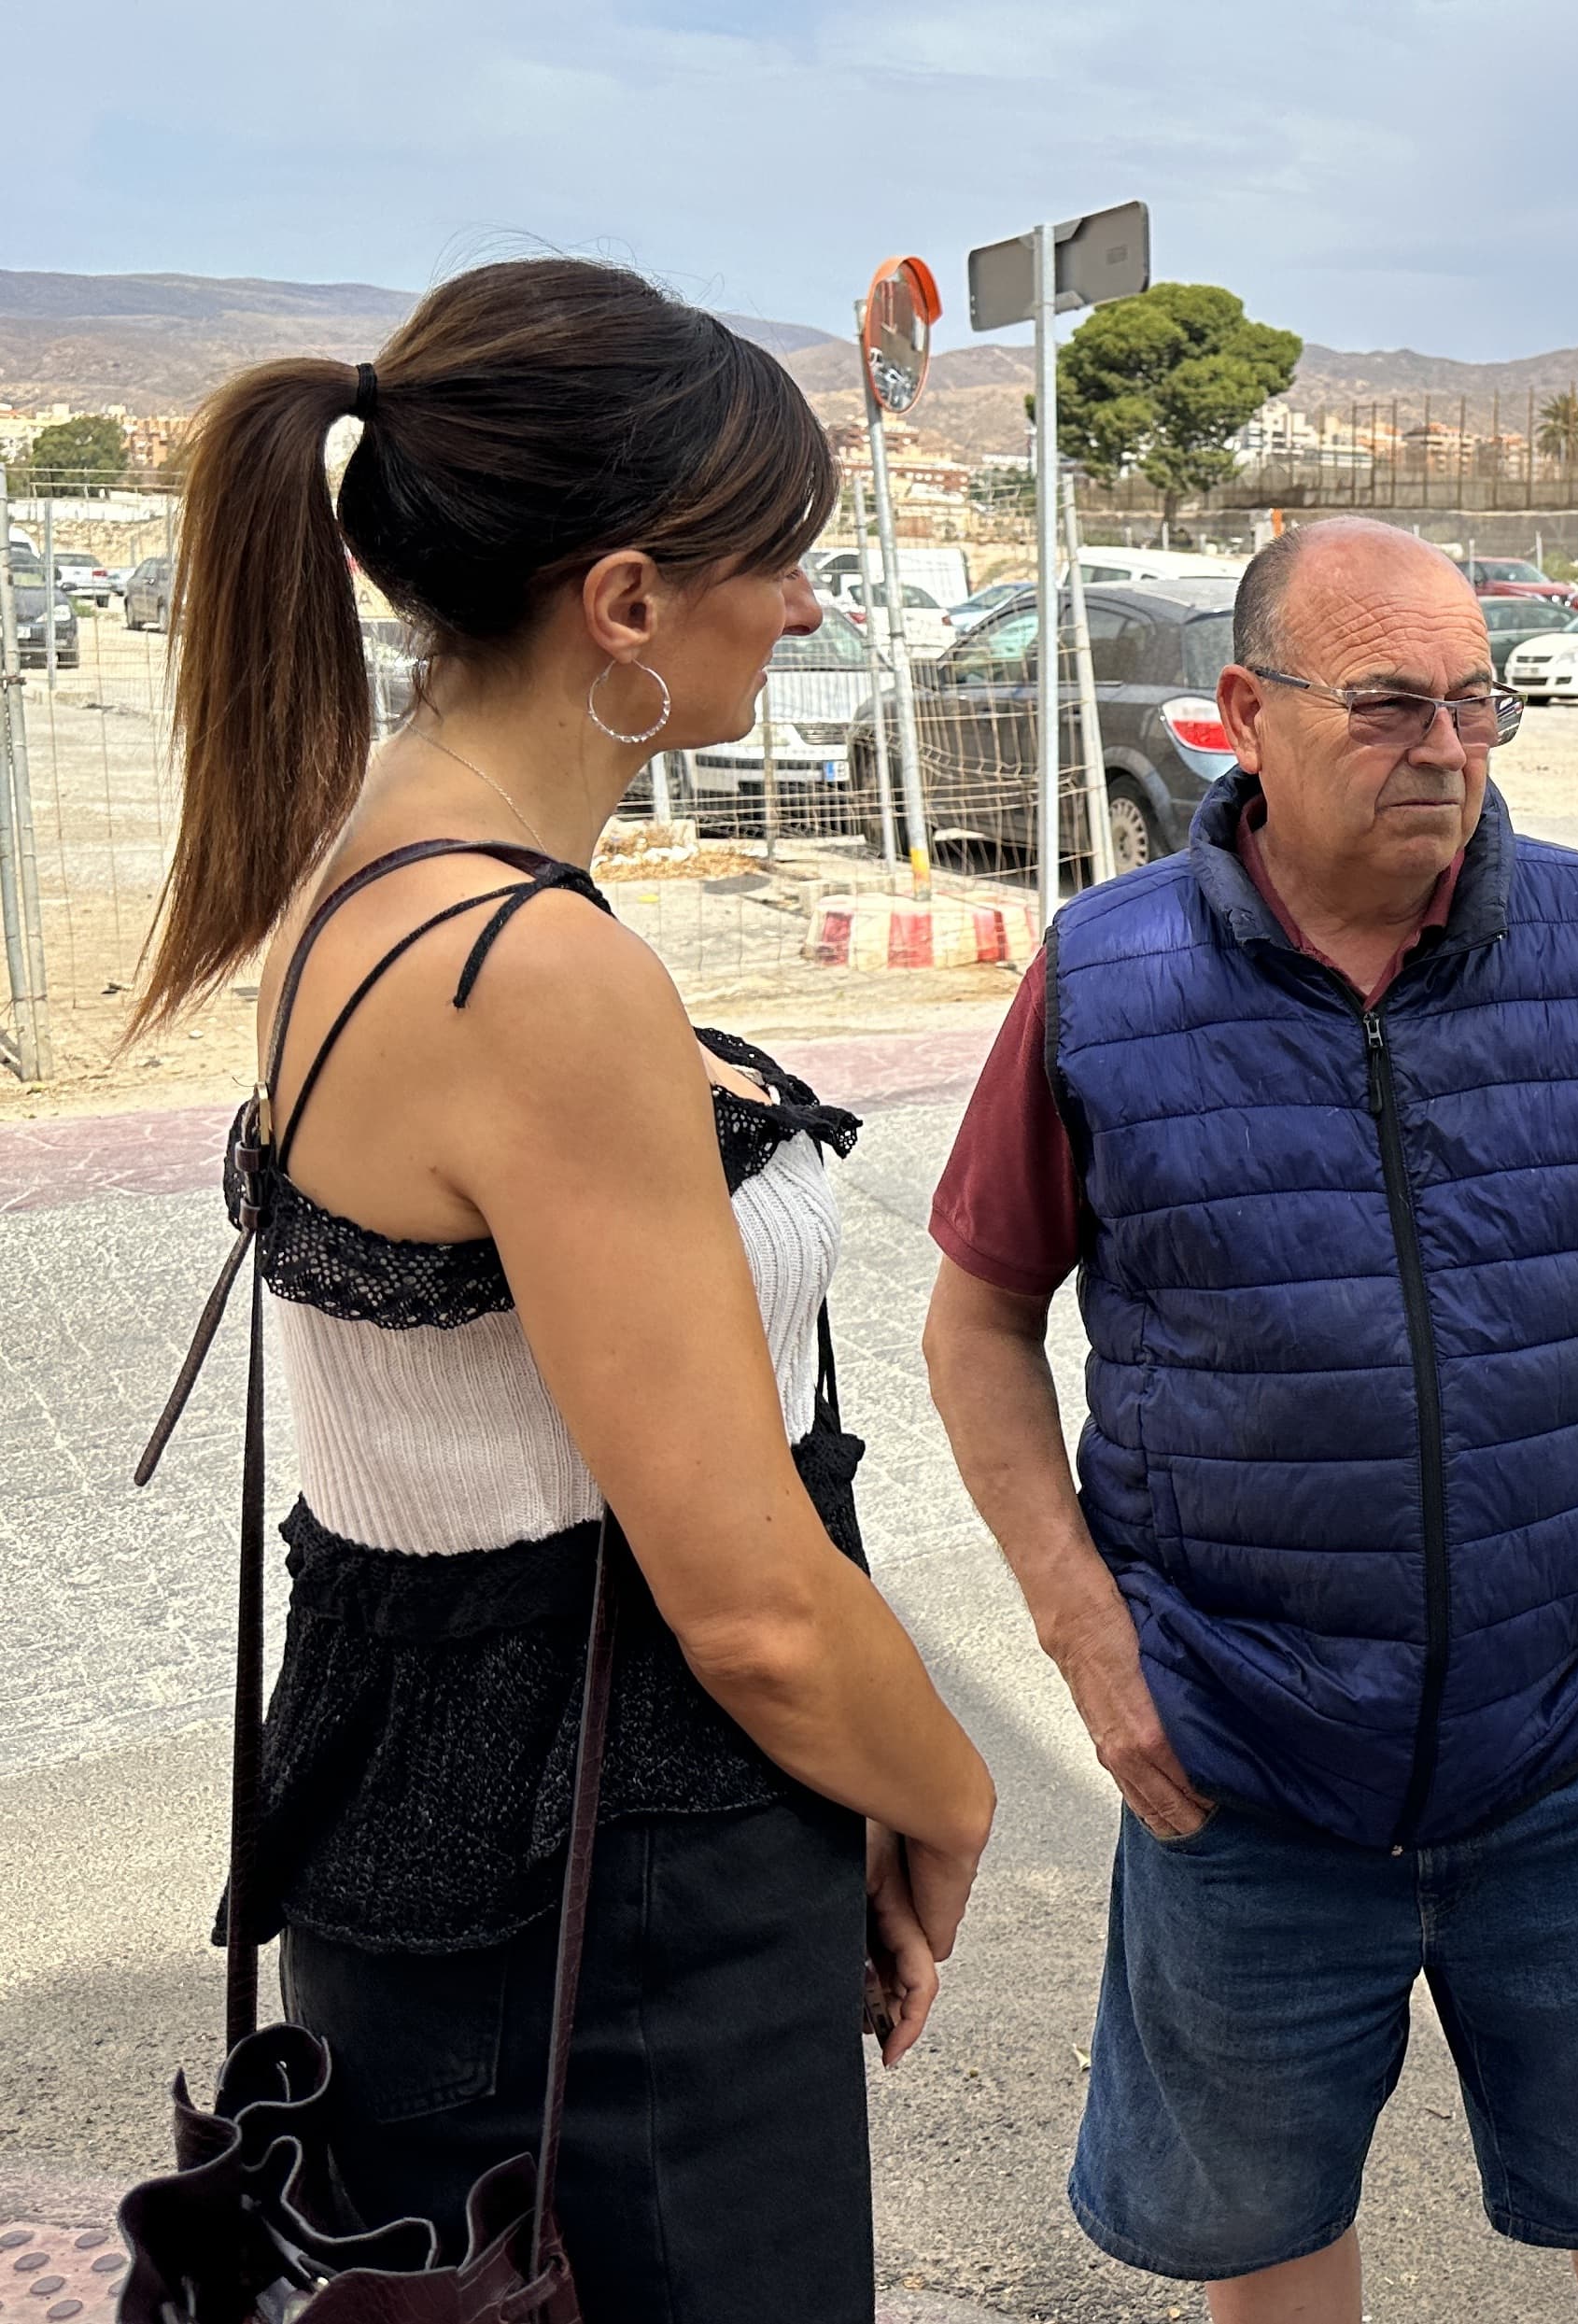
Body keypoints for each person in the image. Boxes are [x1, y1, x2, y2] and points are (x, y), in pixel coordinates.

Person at [129, 258, 998, 2319]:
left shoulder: (366, 875)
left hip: (468, 1866)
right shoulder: (535, 972)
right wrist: (948, 1795)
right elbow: (756, 1610)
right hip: (612, 1926)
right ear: (623, 603)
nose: (801, 608)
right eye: (774, 561)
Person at [919, 516, 1578, 2321]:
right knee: (1259, 2217)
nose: (1448, 749)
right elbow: (978, 1322)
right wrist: (1089, 1639)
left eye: (1479, 702)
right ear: (1241, 711)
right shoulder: (1103, 976)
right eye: (1390, 704)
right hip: (1243, 1755)